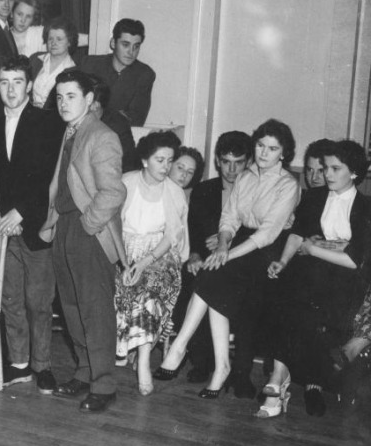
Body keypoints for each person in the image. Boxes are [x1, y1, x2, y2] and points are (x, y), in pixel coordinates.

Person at [155, 119, 301, 399]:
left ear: (283, 153)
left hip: (265, 250)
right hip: (239, 241)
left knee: (214, 276)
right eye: (260, 145)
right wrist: (222, 245)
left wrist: (227, 255)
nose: (263, 153)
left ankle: (180, 346)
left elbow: (269, 233)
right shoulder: (246, 177)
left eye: (272, 148)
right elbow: (230, 217)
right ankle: (219, 367)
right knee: (214, 277)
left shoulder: (287, 184)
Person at [258, 140, 371, 418]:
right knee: (288, 290)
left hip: (345, 280)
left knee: (307, 298)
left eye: (335, 168)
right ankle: (280, 377)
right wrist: (283, 261)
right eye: (325, 167)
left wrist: (313, 249)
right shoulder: (315, 197)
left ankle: (285, 380)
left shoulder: (365, 206)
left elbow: (354, 260)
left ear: (354, 172)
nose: (327, 174)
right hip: (312, 274)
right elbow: (297, 234)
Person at [40, 69, 126, 413]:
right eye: (59, 97)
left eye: (71, 96)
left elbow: (113, 192)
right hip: (64, 227)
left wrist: (88, 226)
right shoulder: (70, 131)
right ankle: (85, 371)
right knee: (72, 306)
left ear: (89, 100)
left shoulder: (101, 135)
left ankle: (104, 384)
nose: (63, 103)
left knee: (95, 309)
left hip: (88, 231)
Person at [0, 56, 63, 392]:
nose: (10, 89)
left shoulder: (48, 123)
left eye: (17, 82)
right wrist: (6, 216)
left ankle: (42, 365)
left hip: (35, 226)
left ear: (29, 85)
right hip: (3, 227)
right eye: (4, 82)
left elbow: (50, 177)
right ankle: (19, 364)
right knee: (11, 300)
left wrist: (23, 213)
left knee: (39, 301)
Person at [173, 131, 251, 384]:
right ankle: (201, 361)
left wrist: (225, 242)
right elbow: (194, 230)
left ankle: (237, 372)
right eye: (226, 161)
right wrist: (194, 255)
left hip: (240, 262)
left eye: (238, 162)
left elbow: (260, 234)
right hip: (205, 259)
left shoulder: (253, 193)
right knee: (190, 279)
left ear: (248, 162)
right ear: (217, 161)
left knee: (216, 285)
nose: (231, 169)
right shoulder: (204, 190)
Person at [115, 131, 188, 395]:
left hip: (159, 255)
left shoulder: (175, 192)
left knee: (149, 288)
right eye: (160, 160)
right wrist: (125, 263)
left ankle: (144, 358)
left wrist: (145, 261)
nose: (166, 167)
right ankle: (128, 350)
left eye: (170, 161)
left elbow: (171, 237)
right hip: (124, 251)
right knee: (120, 285)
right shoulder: (126, 182)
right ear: (145, 160)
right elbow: (113, 226)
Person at [78, 18, 155, 126]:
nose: (131, 52)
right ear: (113, 43)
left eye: (136, 46)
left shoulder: (144, 74)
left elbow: (136, 119)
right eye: (125, 44)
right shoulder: (89, 64)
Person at [30, 17, 78, 108]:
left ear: (69, 42)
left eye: (59, 39)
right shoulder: (35, 59)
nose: (53, 43)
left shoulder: (73, 71)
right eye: (50, 39)